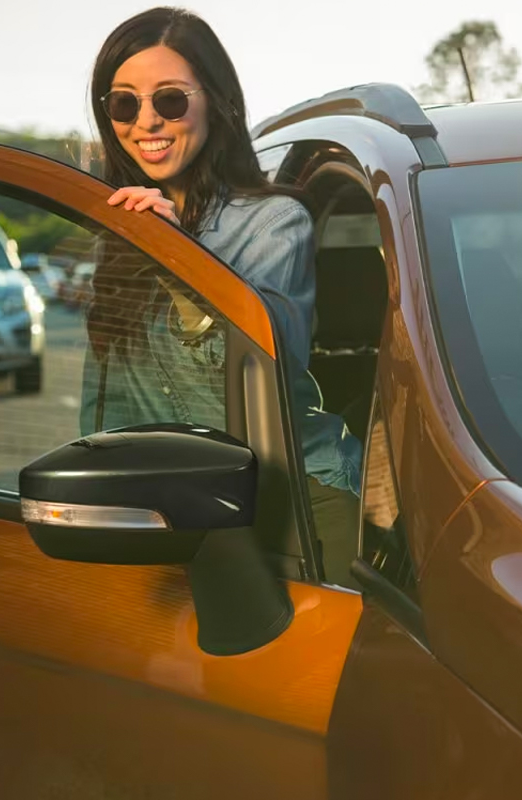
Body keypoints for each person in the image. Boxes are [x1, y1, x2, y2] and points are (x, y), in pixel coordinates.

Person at [81, 6, 363, 588]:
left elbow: (263, 371)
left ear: (216, 101)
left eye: (170, 100)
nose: (147, 122)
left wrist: (176, 260)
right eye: (124, 103)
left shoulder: (275, 221)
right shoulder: (118, 227)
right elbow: (107, 390)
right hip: (166, 507)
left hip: (290, 504)